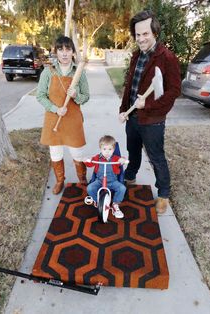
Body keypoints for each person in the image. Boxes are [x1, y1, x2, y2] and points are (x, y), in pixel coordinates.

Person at [119, 10, 181, 214]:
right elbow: (130, 84)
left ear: (155, 32)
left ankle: (163, 193)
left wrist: (149, 106)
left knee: (156, 158)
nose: (141, 38)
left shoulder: (167, 58)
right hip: (133, 117)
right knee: (132, 151)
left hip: (152, 120)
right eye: (137, 35)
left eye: (145, 34)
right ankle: (130, 178)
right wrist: (123, 109)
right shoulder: (137, 55)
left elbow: (173, 91)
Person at [37, 35, 90, 194]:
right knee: (56, 153)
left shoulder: (79, 72)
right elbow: (40, 95)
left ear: (73, 52)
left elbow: (86, 96)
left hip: (73, 119)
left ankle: (82, 179)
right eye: (61, 50)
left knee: (78, 153)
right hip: (55, 120)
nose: (65, 53)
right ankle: (60, 181)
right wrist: (55, 109)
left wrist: (75, 95)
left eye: (68, 49)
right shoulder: (48, 71)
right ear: (56, 52)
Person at [84, 135, 127, 219]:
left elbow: (122, 161)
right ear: (100, 149)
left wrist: (123, 160)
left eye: (110, 149)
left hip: (112, 182)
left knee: (122, 188)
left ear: (113, 150)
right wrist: (86, 160)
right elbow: (90, 164)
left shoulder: (115, 158)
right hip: (99, 181)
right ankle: (97, 200)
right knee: (90, 188)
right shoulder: (97, 158)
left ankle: (115, 204)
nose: (107, 152)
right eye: (104, 149)